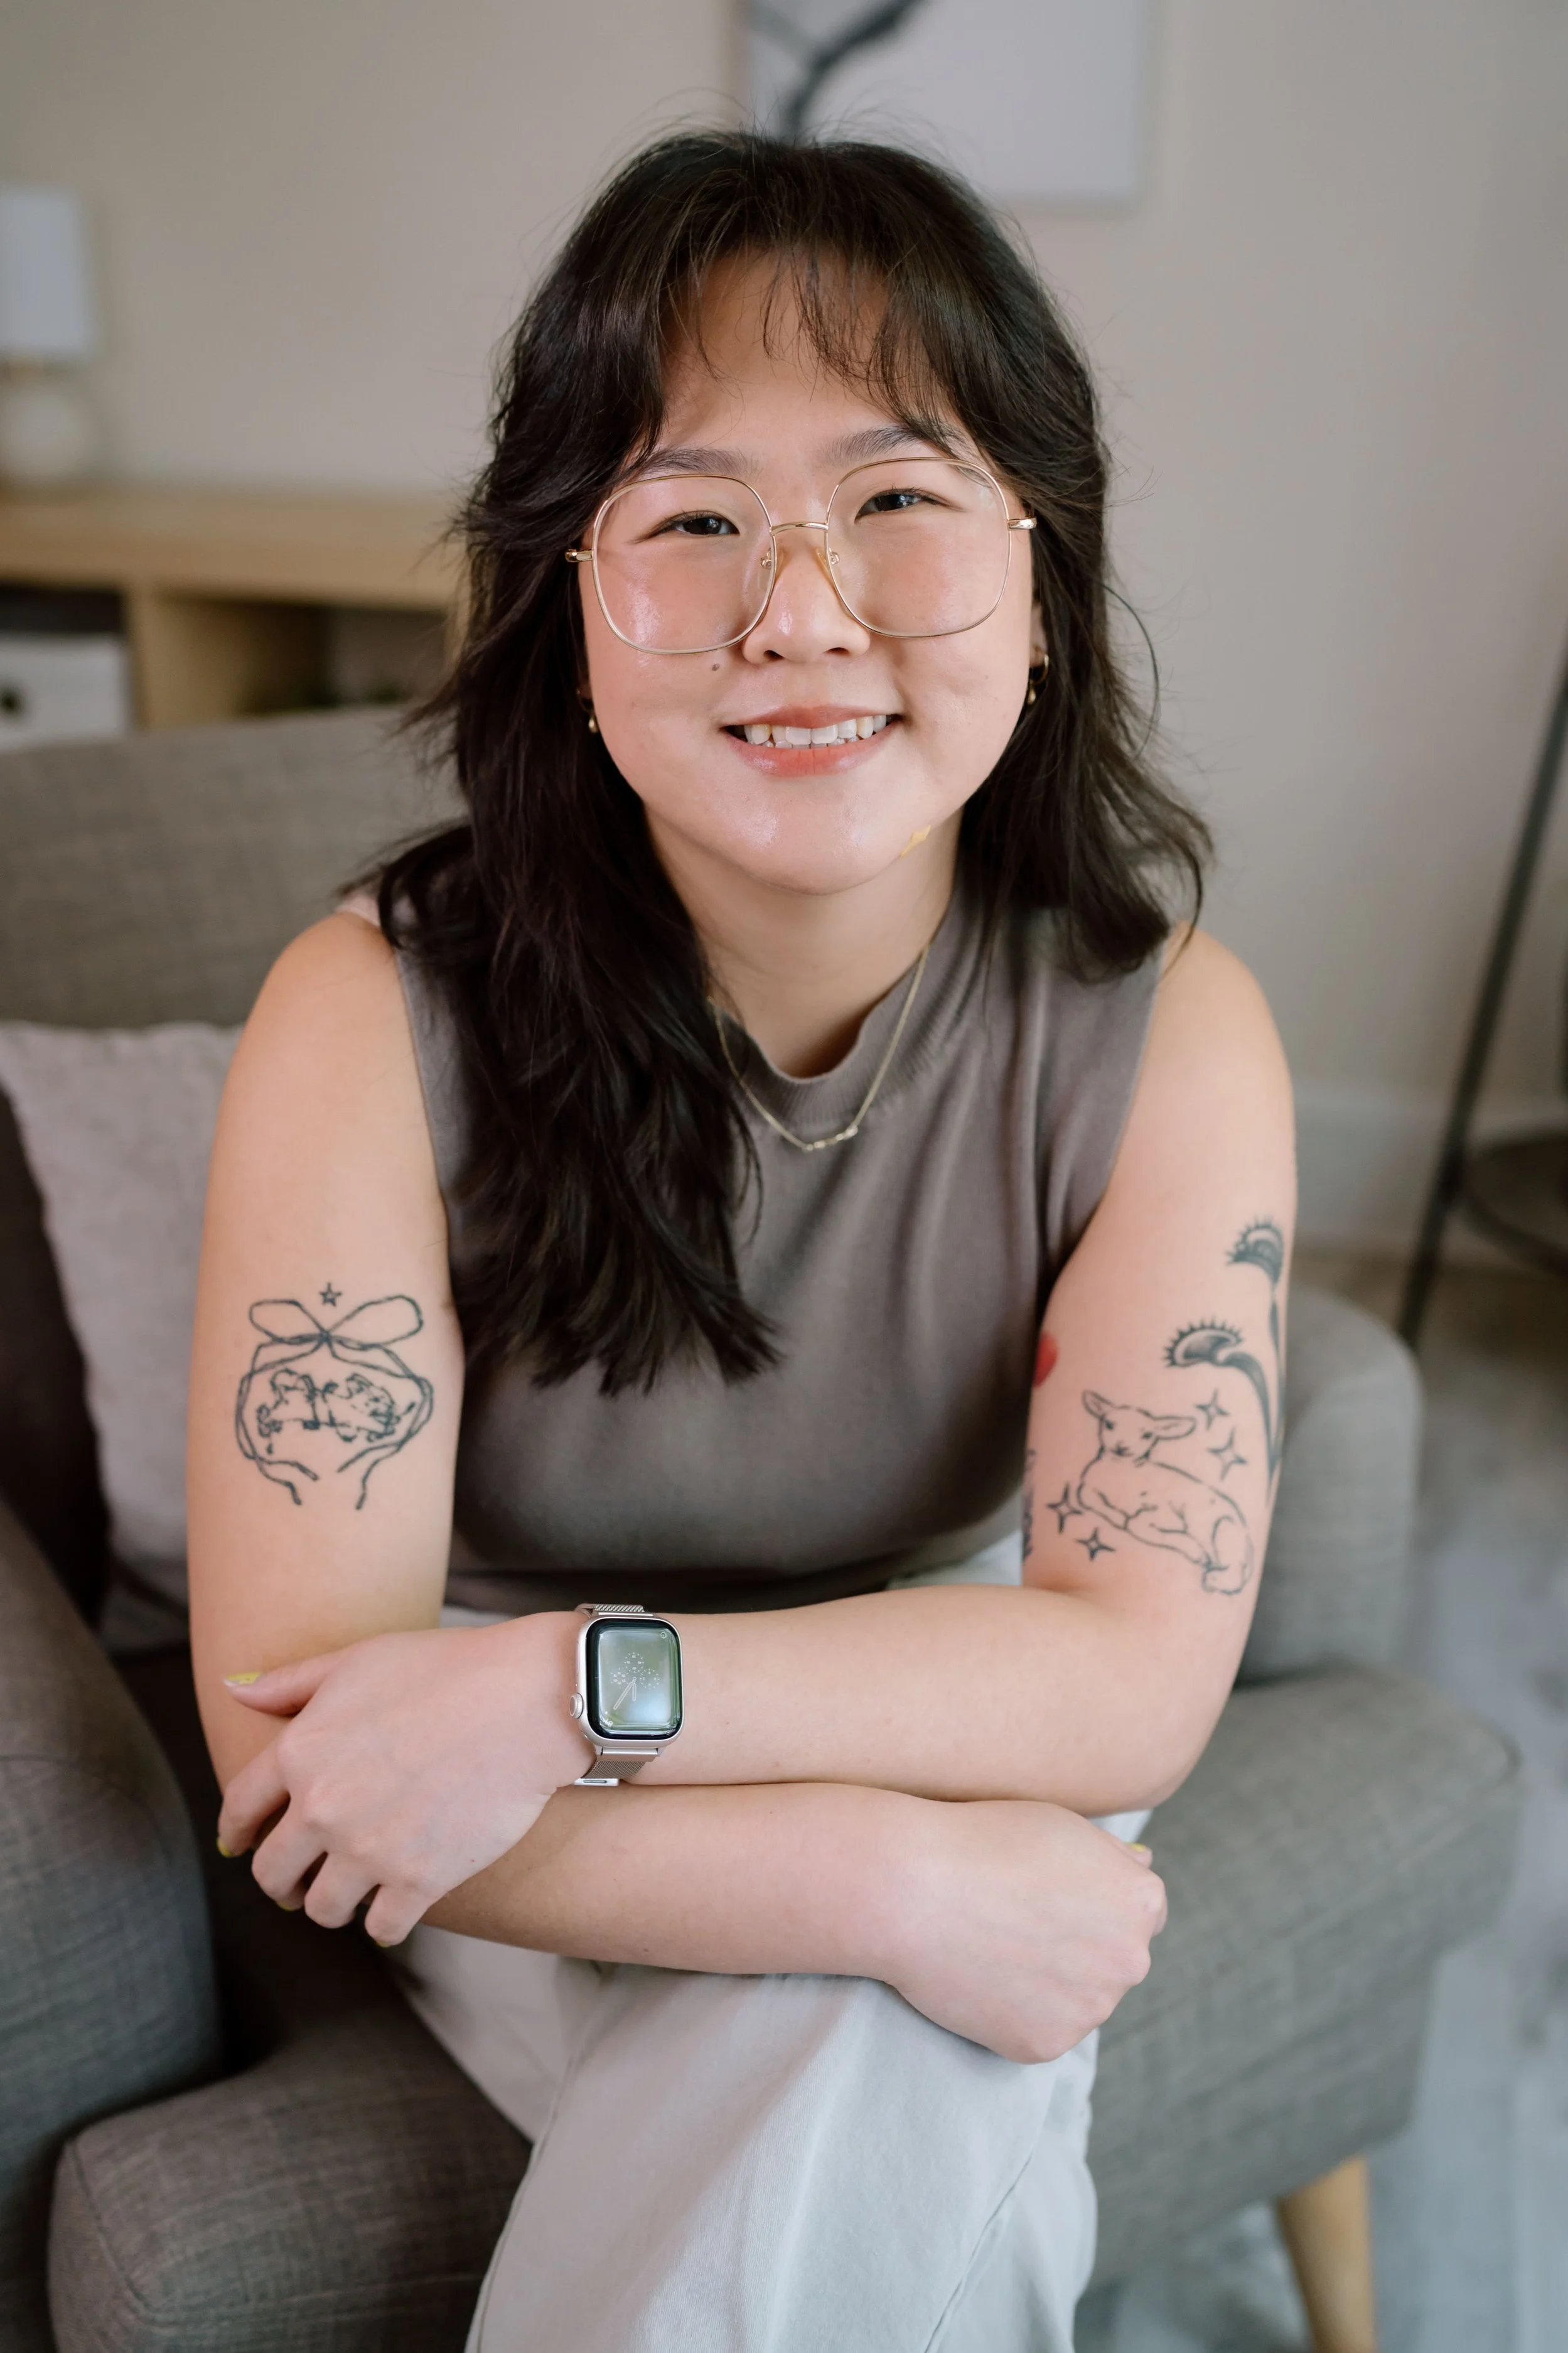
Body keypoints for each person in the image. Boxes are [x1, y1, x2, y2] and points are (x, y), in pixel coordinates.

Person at [189, 131, 1294, 2352]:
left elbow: (1127, 1666)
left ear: (1045, 572)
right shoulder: (365, 1014)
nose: (799, 611)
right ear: (567, 603)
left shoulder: (1173, 1031)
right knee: (877, 2023)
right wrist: (892, 1872)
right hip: (525, 1751)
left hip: (863, 1668)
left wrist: (567, 1693)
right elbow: (315, 1739)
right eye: (692, 517)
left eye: (896, 496)